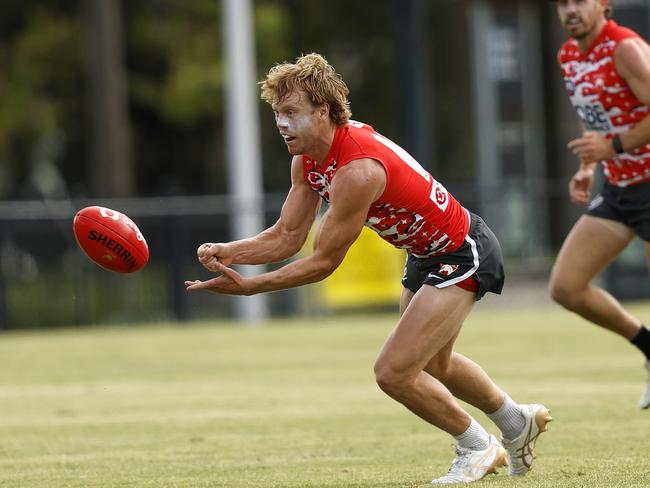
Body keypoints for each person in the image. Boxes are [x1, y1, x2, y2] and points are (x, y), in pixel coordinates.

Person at [185, 53, 551, 484]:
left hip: (461, 250)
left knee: (393, 371)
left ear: (323, 111)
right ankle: (514, 422)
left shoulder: (357, 170)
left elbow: (322, 262)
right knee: (434, 364)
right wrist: (231, 251)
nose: (281, 124)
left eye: (291, 113)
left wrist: (251, 288)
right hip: (426, 254)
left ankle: (476, 445)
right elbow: (287, 234)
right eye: (277, 113)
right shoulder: (307, 159)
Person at [549, 0, 650, 409]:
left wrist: (614, 146)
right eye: (562, 3)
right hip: (621, 186)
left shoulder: (623, 47)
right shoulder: (569, 54)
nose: (570, 10)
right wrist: (589, 165)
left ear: (603, 4)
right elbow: (595, 115)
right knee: (566, 287)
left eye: (579, 1)